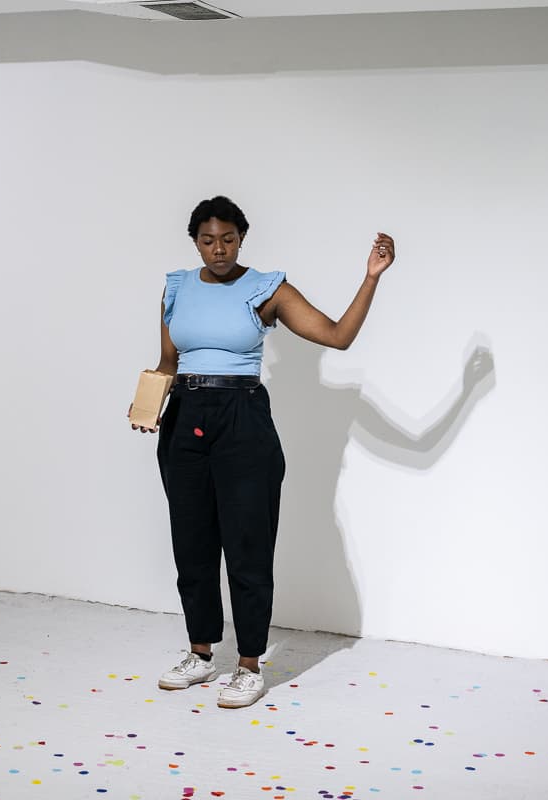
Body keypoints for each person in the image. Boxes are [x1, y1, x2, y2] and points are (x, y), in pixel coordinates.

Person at [131, 195, 395, 709]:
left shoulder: (266, 288)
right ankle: (201, 655)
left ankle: (249, 664)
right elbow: (168, 361)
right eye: (208, 240)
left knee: (247, 544)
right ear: (195, 242)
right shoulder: (176, 286)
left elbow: (337, 336)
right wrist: (146, 404)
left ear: (241, 238)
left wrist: (371, 277)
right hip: (184, 417)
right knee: (192, 542)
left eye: (228, 239)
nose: (219, 249)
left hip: (242, 418)